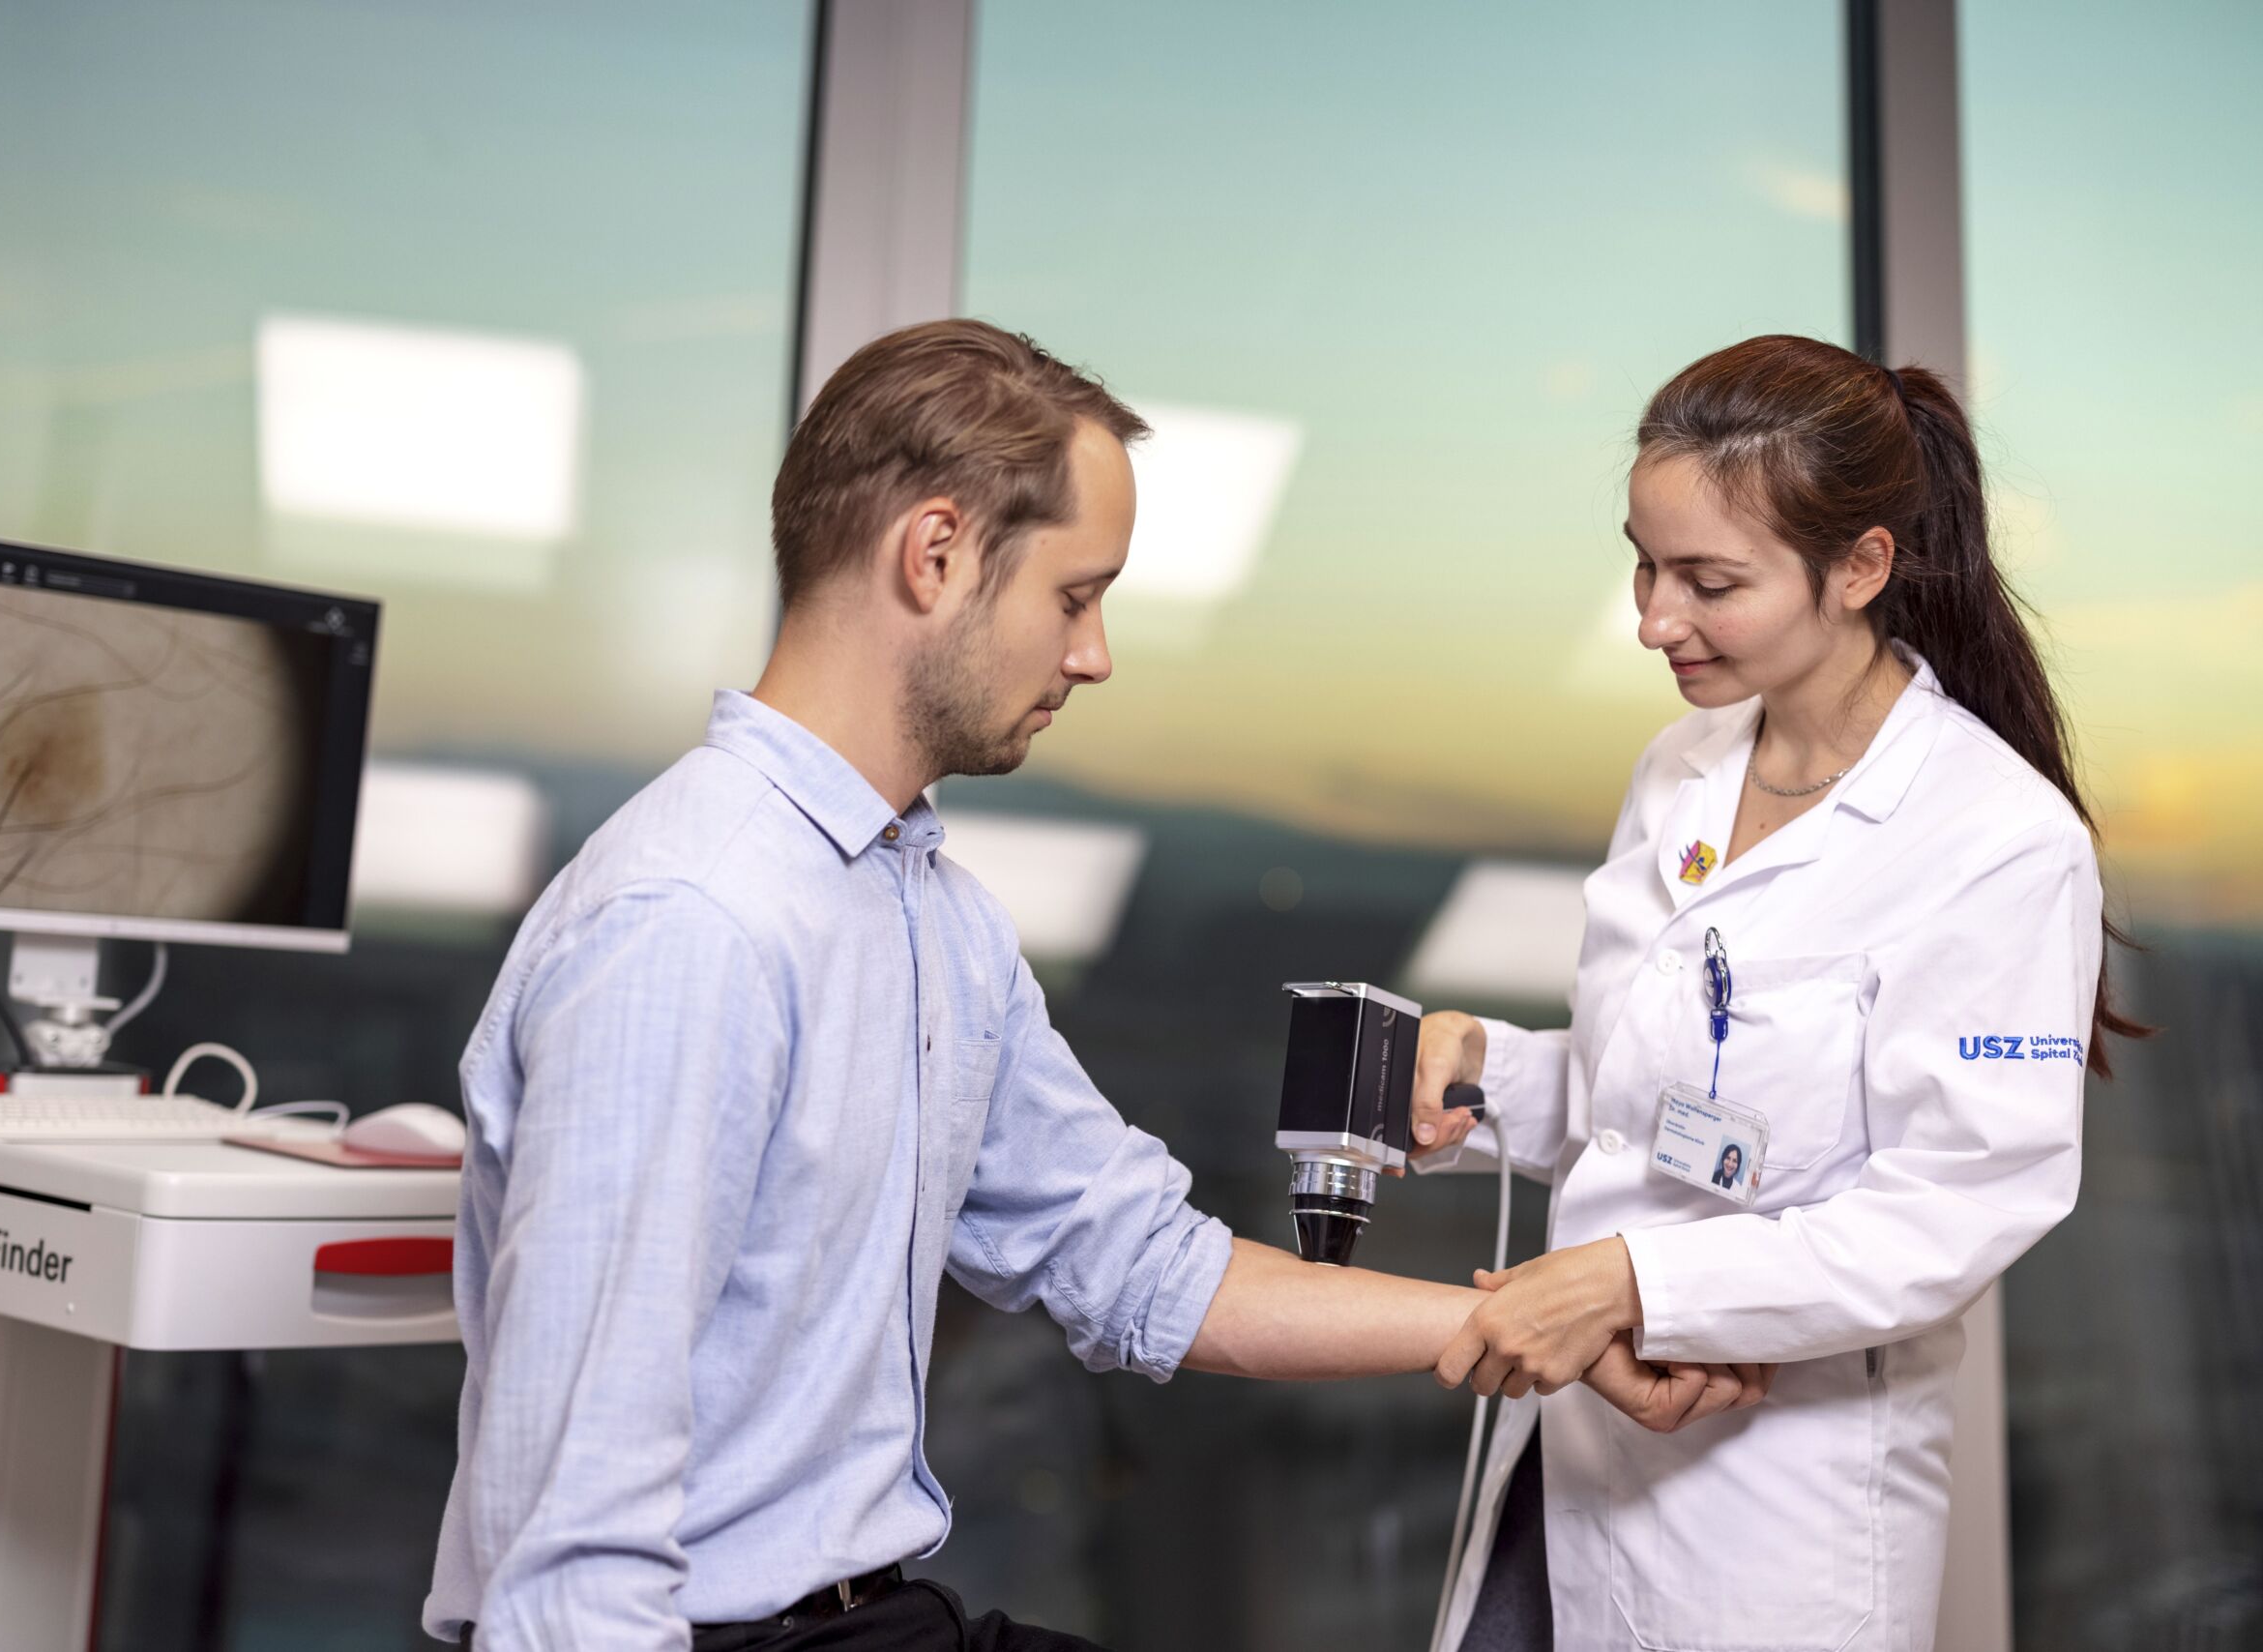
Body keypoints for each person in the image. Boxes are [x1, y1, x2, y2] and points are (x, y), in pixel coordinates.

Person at [422, 319, 1726, 1652]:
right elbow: (572, 1559)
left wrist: (1516, 1321)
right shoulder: (691, 925)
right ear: (933, 557)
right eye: (1073, 596)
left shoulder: (931, 918)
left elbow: (1137, 1262)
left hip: (869, 1624)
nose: (1095, 654)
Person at [1405, 335, 2142, 1652]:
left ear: (1860, 567)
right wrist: (1486, 1073)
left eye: (1709, 581)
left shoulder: (1996, 840)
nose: (1652, 618)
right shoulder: (1682, 766)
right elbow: (1660, 1085)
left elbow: (1951, 1207)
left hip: (1771, 1516)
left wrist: (1631, 1280)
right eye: (1643, 561)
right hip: (1575, 1445)